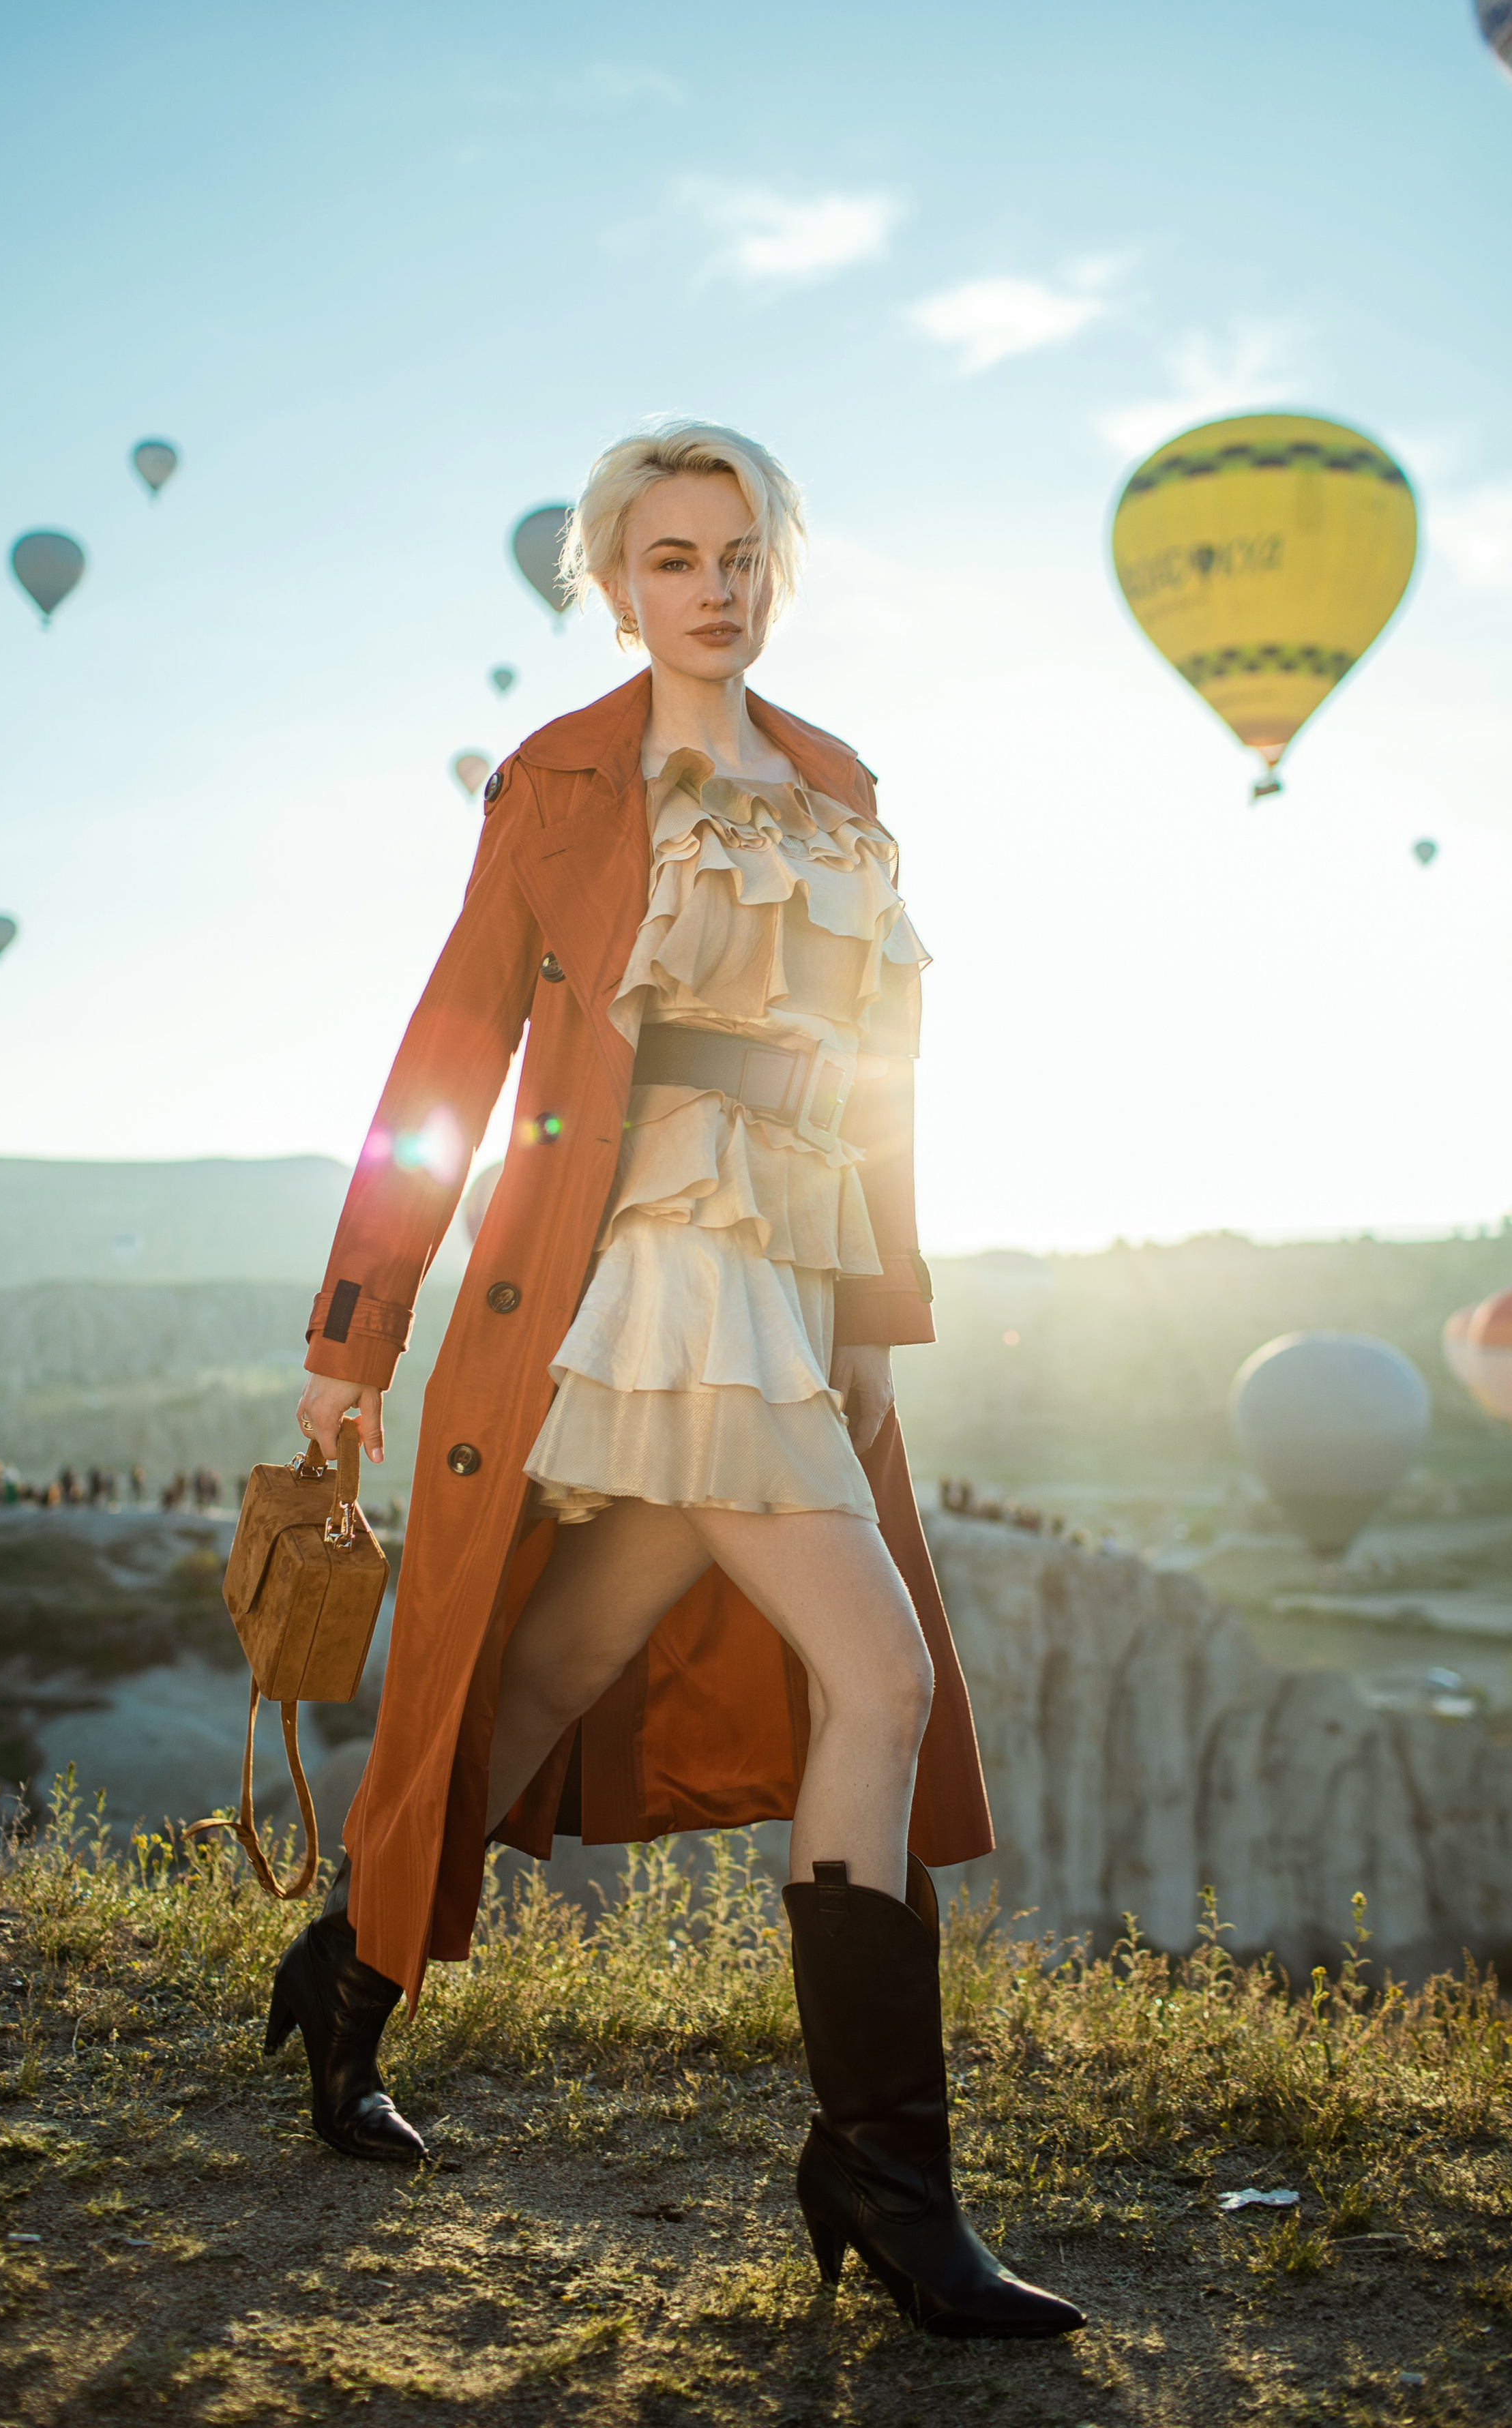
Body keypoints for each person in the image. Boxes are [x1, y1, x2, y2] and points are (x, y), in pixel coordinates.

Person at [284, 421, 1082, 2341]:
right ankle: (887, 2184)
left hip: (793, 1273)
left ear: (774, 570)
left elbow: (881, 1074)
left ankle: (345, 1974)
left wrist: (879, 1319)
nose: (711, 587)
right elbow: (450, 1056)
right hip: (646, 1265)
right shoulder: (559, 783)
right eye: (670, 558)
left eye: (739, 554)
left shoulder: (837, 783)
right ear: (611, 580)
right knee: (878, 1677)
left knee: (553, 1667)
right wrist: (352, 1339)